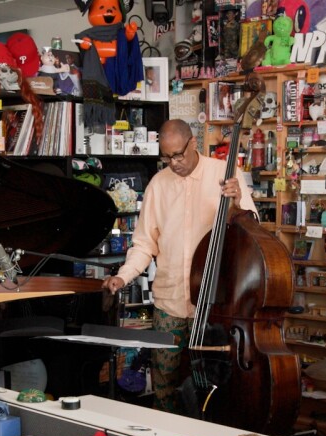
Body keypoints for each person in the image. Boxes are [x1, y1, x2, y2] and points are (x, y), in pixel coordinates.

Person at [102, 120, 256, 413]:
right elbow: (144, 244)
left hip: (213, 304)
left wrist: (237, 201)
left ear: (193, 143)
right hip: (169, 302)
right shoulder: (158, 185)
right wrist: (123, 277)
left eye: (178, 155)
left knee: (214, 387)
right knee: (164, 383)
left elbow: (251, 230)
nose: (174, 163)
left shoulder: (224, 174)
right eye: (167, 157)